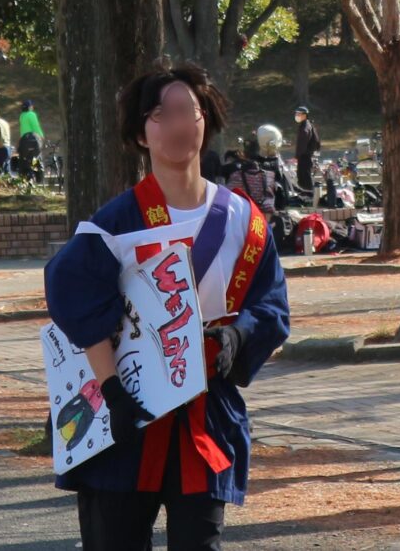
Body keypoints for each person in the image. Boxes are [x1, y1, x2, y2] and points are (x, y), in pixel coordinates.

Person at [45, 63, 291, 551]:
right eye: (161, 114)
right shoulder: (112, 226)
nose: (178, 125)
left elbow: (271, 306)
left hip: (204, 415)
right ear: (140, 133)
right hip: (124, 420)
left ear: (207, 119)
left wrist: (238, 336)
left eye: (188, 111)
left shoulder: (246, 220)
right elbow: (71, 297)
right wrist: (112, 390)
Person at [15, 99, 45, 181]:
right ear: (30, 107)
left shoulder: (22, 116)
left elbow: (22, 130)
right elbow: (36, 126)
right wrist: (41, 136)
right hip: (33, 140)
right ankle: (36, 177)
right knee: (35, 158)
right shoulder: (32, 114)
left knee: (25, 159)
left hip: (24, 140)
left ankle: (26, 177)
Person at [292, 107, 320, 190]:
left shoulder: (305, 126)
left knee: (305, 178)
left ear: (304, 115)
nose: (296, 116)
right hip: (306, 155)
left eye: (298, 114)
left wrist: (297, 156)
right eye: (296, 114)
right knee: (302, 176)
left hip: (305, 156)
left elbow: (302, 143)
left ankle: (309, 195)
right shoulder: (307, 124)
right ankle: (306, 195)